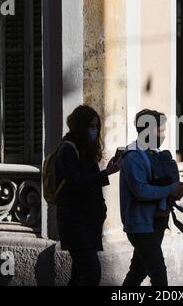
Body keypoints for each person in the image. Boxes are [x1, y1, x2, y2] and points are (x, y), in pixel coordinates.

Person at [55, 105, 122, 286]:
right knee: (92, 273)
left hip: (88, 222)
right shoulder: (67, 150)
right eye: (91, 126)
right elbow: (74, 183)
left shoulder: (84, 149)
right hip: (75, 223)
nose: (94, 131)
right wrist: (105, 173)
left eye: (96, 127)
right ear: (81, 126)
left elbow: (87, 183)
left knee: (79, 277)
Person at [119, 109, 183, 286]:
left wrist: (176, 192)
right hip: (140, 225)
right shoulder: (133, 155)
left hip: (154, 223)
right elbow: (141, 191)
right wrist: (171, 189)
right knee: (159, 276)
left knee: (137, 273)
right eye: (160, 130)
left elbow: (159, 186)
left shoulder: (152, 153)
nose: (163, 135)